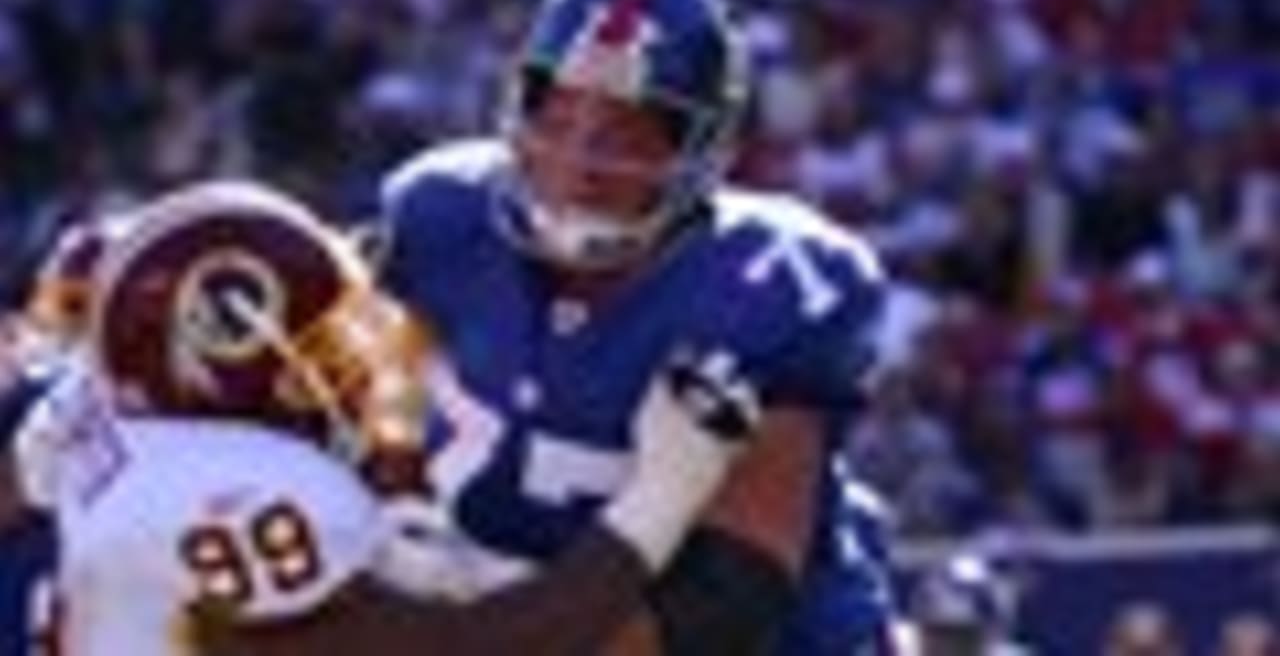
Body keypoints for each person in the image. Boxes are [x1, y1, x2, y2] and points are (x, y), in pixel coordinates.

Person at [377, 0, 895, 653]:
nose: (580, 162)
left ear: (701, 151)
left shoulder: (774, 284)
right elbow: (382, 433)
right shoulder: (438, 218)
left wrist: (484, 641)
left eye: (624, 134)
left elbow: (727, 602)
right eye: (559, 119)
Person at [0, 180, 760, 655]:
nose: (352, 363)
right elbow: (476, 650)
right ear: (215, 368)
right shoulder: (234, 495)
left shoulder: (118, 407)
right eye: (317, 348)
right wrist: (662, 495)